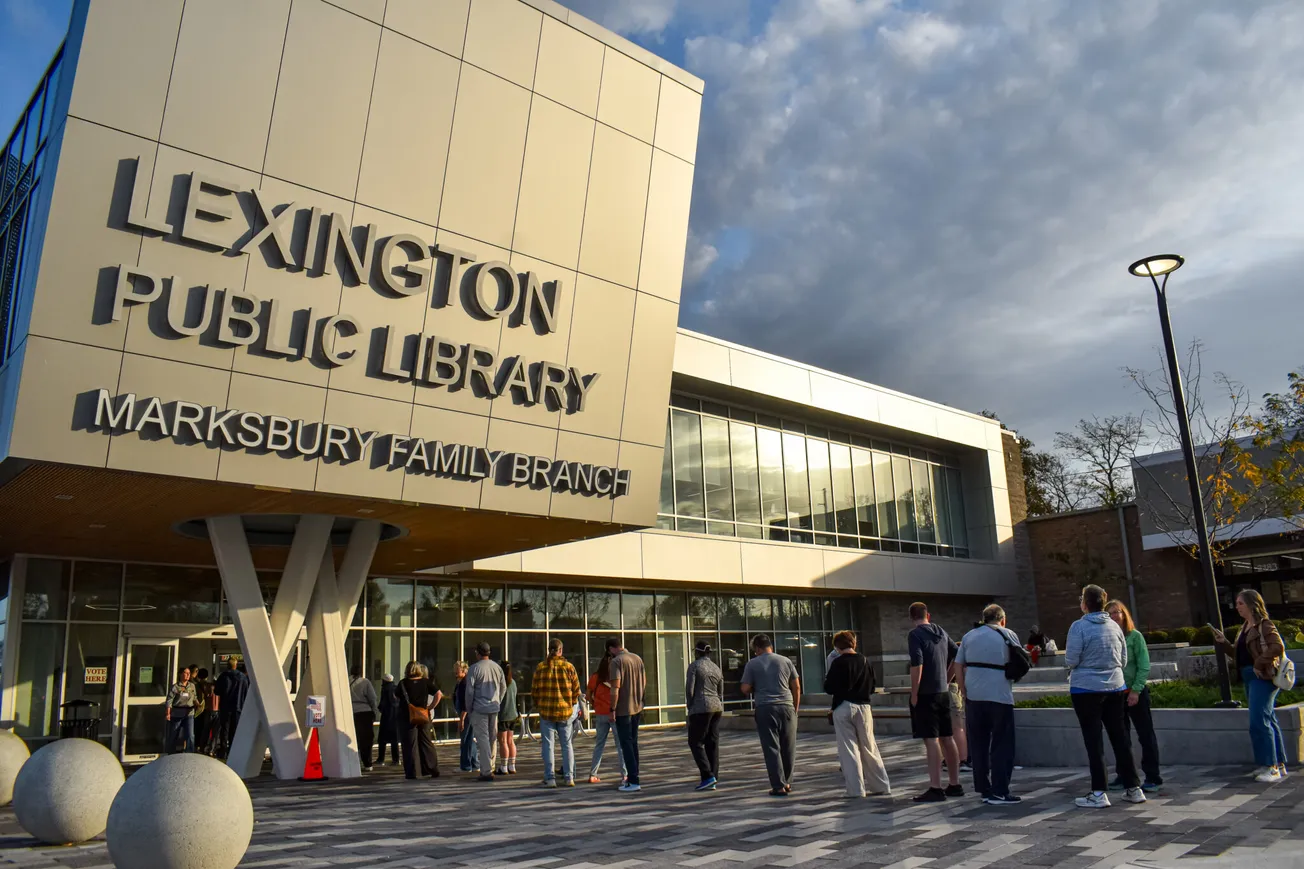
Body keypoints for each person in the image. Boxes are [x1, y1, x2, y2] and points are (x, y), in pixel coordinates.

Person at [1066, 585, 1144, 808]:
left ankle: (1099, 792)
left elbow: (1071, 659)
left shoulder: (1078, 627)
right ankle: (1134, 787)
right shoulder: (1114, 626)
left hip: (1086, 689)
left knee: (1094, 740)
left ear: (1084, 603)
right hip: (1115, 686)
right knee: (1120, 737)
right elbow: (1123, 658)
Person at [1213, 589, 1289, 783]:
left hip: (1262, 676)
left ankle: (1269, 766)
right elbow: (1241, 656)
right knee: (1267, 718)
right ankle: (1277, 763)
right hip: (1249, 675)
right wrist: (1225, 643)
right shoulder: (1244, 627)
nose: (1236, 607)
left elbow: (1277, 646)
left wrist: (1259, 663)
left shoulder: (1264, 625)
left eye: (1240, 603)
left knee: (1258, 721)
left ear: (1251, 605)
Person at [956, 604, 1021, 805]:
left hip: (974, 695)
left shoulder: (969, 636)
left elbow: (958, 664)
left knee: (978, 744)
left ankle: (984, 788)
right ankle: (1000, 790)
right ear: (1002, 619)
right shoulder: (1008, 634)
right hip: (1000, 694)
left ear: (984, 618)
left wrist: (963, 689)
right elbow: (1018, 660)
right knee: (1002, 744)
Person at [907, 602, 962, 802]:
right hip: (942, 692)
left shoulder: (915, 635)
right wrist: (946, 680)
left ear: (911, 617)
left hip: (926, 694)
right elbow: (958, 656)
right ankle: (955, 784)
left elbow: (917, 664)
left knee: (931, 740)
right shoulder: (941, 631)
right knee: (947, 737)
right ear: (928, 615)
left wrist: (914, 693)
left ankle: (935, 787)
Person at [824, 630, 889, 798]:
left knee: (849, 749)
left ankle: (856, 790)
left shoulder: (838, 663)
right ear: (853, 643)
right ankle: (881, 785)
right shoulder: (865, 661)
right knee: (869, 746)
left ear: (837, 646)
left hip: (843, 706)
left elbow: (829, 688)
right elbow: (872, 686)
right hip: (864, 706)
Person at [1106, 601, 1162, 792]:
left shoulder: (1135, 637)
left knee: (1145, 735)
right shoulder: (1109, 637)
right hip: (1116, 693)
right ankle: (1125, 775)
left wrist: (1136, 691)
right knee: (1121, 737)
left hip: (1135, 693)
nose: (1114, 616)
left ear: (1124, 614)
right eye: (1110, 613)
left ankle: (1153, 776)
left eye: (1117, 612)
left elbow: (1144, 665)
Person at [741, 634, 801, 797]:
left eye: (755, 650)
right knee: (789, 747)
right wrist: (795, 708)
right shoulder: (786, 661)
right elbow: (796, 686)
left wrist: (755, 687)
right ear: (771, 646)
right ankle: (787, 782)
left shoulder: (752, 664)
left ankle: (778, 785)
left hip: (766, 708)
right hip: (787, 706)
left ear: (758, 648)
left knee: (771, 748)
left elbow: (745, 688)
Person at [531, 638, 582, 787]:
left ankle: (550, 777)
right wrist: (570, 704)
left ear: (549, 650)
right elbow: (576, 691)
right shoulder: (569, 667)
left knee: (548, 745)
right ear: (561, 650)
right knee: (567, 745)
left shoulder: (541, 667)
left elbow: (534, 690)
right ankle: (569, 777)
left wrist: (538, 704)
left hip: (546, 712)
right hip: (565, 712)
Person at [607, 637, 647, 793]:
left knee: (626, 744)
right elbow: (644, 682)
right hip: (637, 707)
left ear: (611, 649)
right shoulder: (637, 658)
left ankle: (633, 780)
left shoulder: (616, 662)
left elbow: (615, 688)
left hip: (623, 709)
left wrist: (612, 709)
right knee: (633, 743)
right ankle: (634, 776)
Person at [685, 639, 725, 791]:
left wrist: (690, 706)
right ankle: (713, 776)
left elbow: (690, 689)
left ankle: (707, 776)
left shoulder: (695, 666)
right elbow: (721, 690)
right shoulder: (716, 667)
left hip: (701, 707)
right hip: (716, 707)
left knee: (695, 742)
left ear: (697, 652)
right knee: (712, 742)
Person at [465, 642, 507, 782]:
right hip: (493, 707)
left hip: (479, 708)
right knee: (492, 738)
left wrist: (469, 708)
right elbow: (503, 687)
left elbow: (469, 691)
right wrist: (498, 701)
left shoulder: (474, 668)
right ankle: (491, 766)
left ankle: (486, 771)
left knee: (482, 739)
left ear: (478, 653)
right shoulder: (497, 668)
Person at [586, 651, 627, 784]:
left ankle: (593, 774)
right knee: (620, 745)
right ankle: (625, 775)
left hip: (600, 714)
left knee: (599, 745)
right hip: (614, 713)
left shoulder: (595, 677)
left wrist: (595, 705)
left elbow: (587, 695)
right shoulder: (615, 677)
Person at [398, 661, 441, 780]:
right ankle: (432, 768)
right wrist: (430, 707)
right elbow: (438, 694)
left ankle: (413, 772)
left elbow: (395, 696)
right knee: (426, 742)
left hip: (408, 716)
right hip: (423, 715)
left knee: (410, 744)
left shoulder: (403, 683)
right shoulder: (425, 682)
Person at [213, 658, 248, 758]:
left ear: (227, 665)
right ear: (236, 665)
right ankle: (232, 752)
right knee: (234, 730)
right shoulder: (242, 677)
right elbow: (246, 692)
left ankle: (223, 751)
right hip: (238, 707)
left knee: (224, 730)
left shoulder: (223, 676)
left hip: (225, 707)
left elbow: (217, 691)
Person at [349, 665, 380, 771]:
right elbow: (372, 698)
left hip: (351, 711)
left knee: (354, 737)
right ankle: (367, 763)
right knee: (366, 739)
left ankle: (353, 760)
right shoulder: (365, 682)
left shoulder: (346, 681)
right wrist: (374, 711)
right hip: (365, 711)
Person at [453, 661, 478, 773]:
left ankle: (466, 766)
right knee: (470, 739)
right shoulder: (462, 682)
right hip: (470, 713)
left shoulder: (464, 683)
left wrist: (462, 719)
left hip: (466, 714)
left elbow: (465, 703)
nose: (455, 672)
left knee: (465, 739)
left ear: (463, 670)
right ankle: (474, 764)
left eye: (457, 670)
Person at [164, 666, 196, 754]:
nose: (188, 675)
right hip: (177, 713)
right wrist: (168, 713)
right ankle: (171, 753)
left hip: (189, 713)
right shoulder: (175, 687)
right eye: (186, 673)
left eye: (189, 673)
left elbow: (194, 697)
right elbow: (169, 700)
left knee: (190, 735)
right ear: (180, 674)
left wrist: (198, 704)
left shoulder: (192, 686)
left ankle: (190, 752)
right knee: (174, 734)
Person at [496, 662, 520, 776]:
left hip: (503, 715)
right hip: (513, 714)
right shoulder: (513, 682)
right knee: (511, 741)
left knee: (503, 741)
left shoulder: (501, 683)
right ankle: (512, 765)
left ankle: (504, 766)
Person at [377, 673, 402, 766]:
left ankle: (381, 759)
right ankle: (396, 759)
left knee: (382, 739)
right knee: (394, 740)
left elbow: (382, 704)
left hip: (387, 716)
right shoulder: (396, 688)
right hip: (396, 717)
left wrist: (380, 708)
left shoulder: (385, 689)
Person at [193, 668, 216, 756]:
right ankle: (202, 746)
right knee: (204, 729)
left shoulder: (196, 685)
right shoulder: (209, 685)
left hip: (198, 709)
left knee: (198, 728)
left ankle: (198, 746)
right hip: (205, 709)